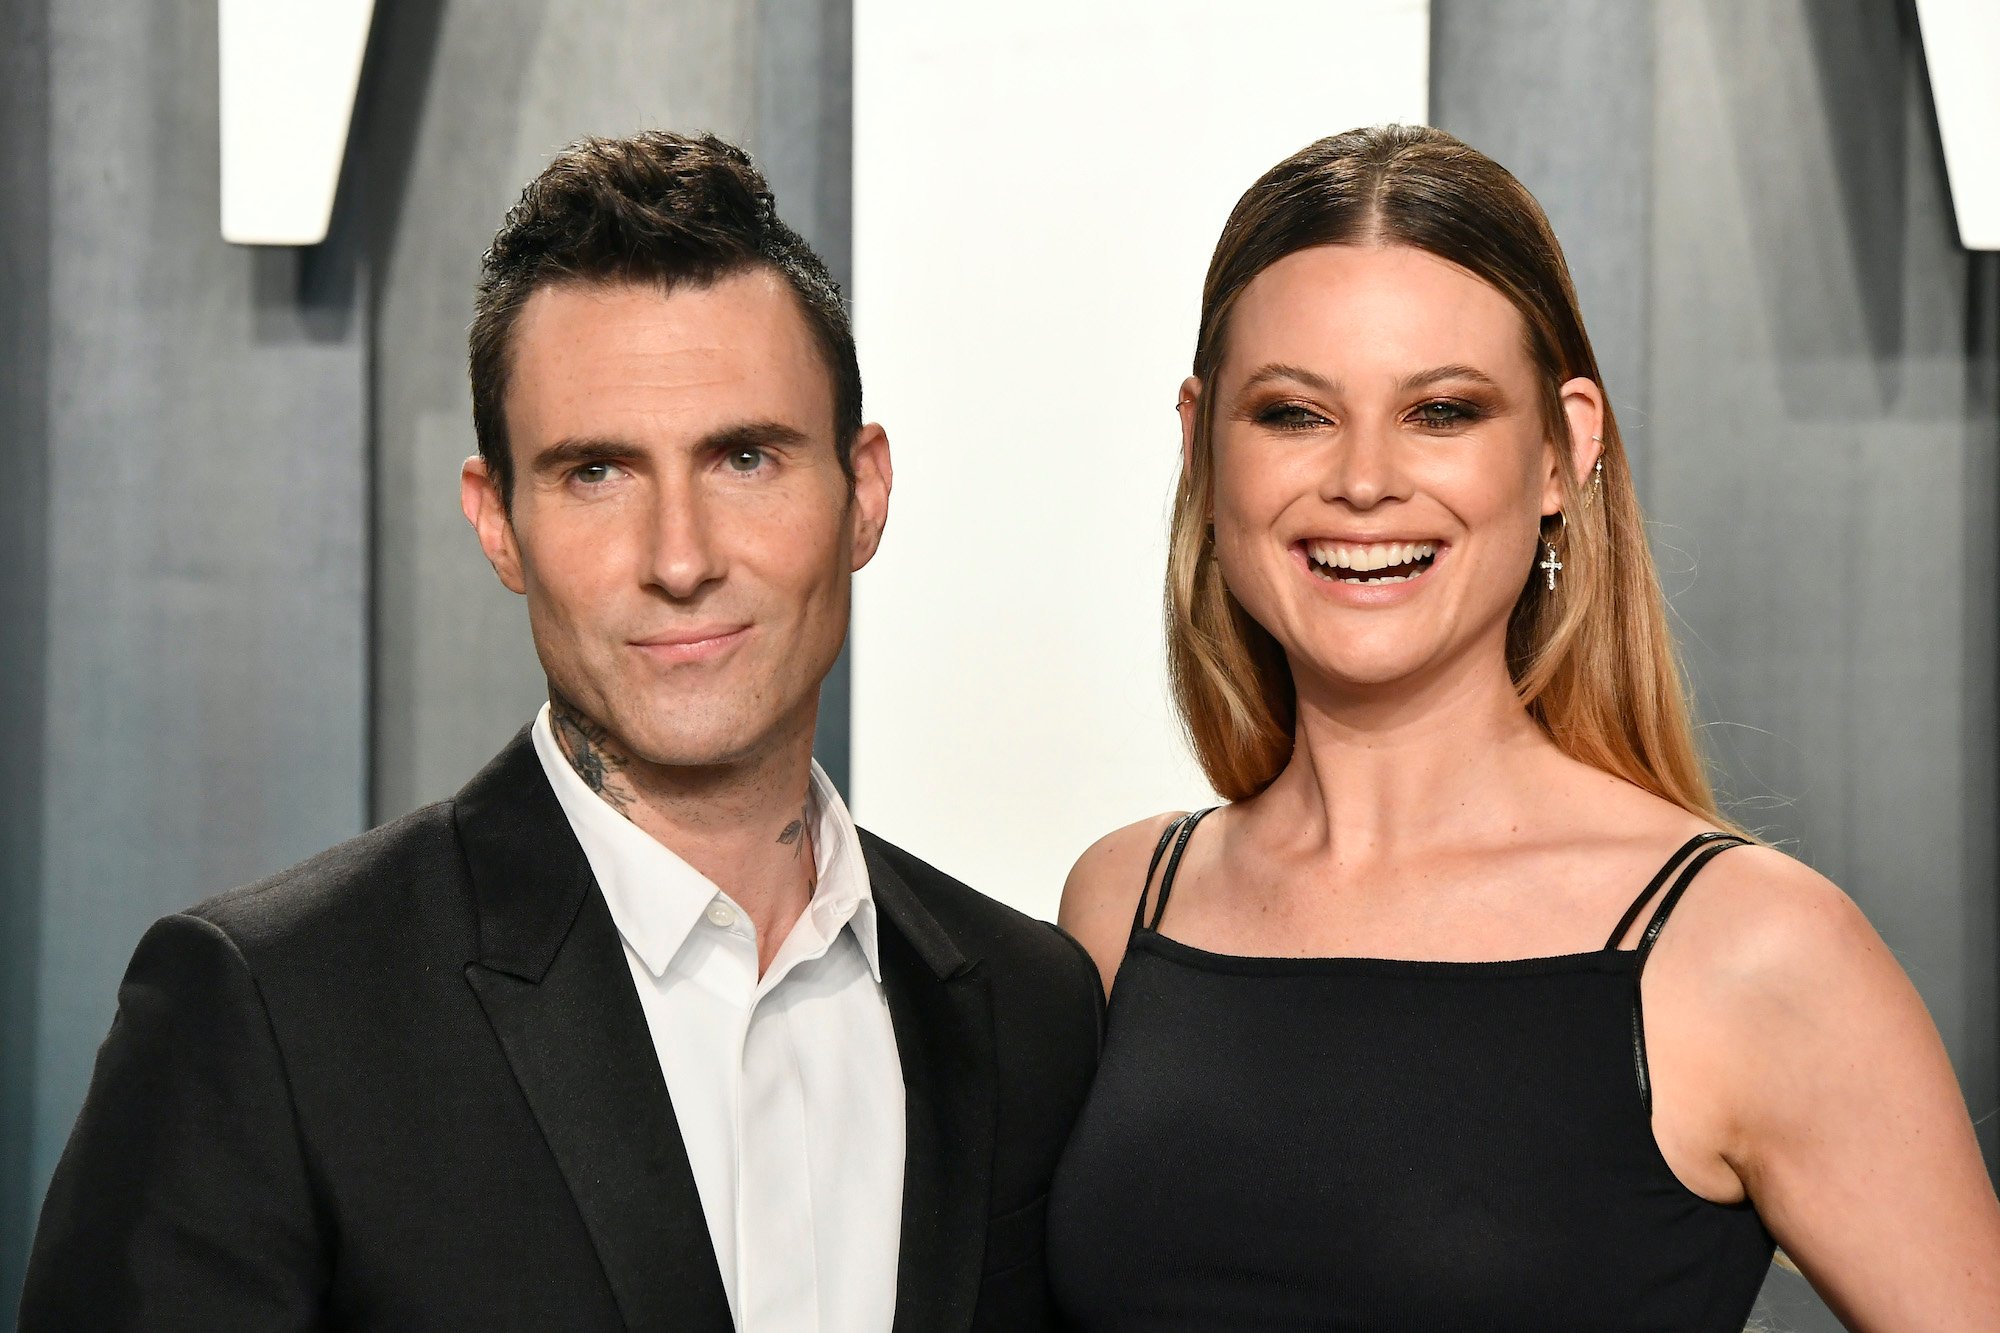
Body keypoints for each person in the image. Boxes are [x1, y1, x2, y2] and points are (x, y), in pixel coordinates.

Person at [22, 130, 1101, 1332]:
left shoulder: (1030, 1008)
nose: (679, 558)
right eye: (596, 472)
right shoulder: (273, 1014)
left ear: (864, 491)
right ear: (497, 522)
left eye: (745, 457)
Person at [1046, 124, 2000, 1330]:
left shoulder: (1749, 949)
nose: (1362, 481)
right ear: (1200, 443)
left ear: (1562, 449)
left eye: (1441, 411)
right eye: (1293, 413)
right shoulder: (1123, 906)